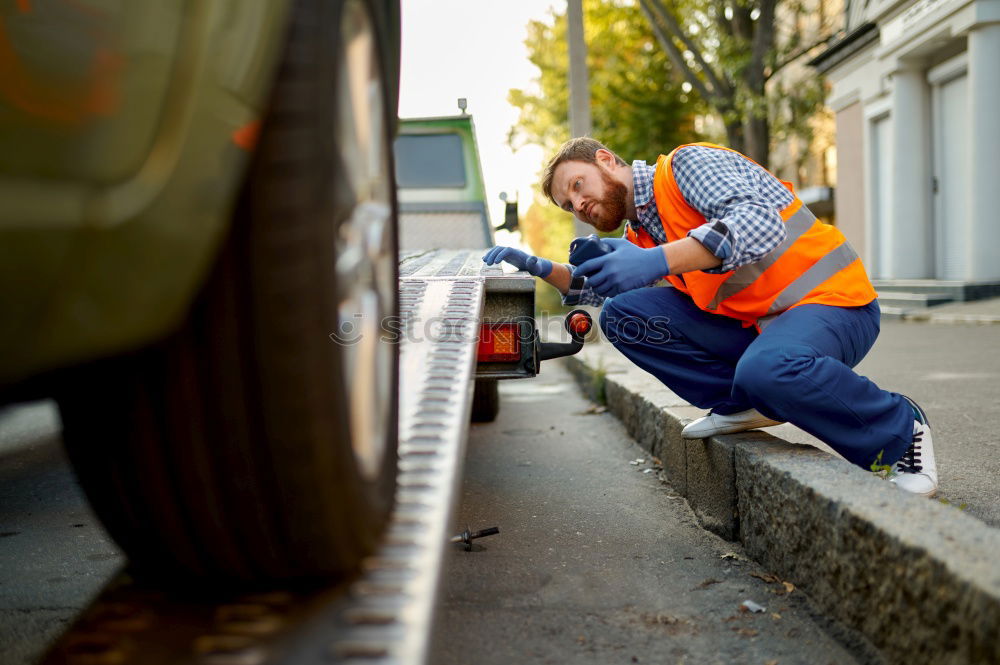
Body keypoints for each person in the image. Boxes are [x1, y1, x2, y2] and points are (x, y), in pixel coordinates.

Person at [483, 138, 937, 496]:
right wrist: (545, 271)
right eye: (568, 205)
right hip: (762, 327)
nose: (578, 205)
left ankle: (900, 431)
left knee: (770, 368)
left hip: (832, 302)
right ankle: (744, 405)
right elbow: (606, 291)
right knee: (624, 316)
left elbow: (759, 221)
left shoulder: (686, 166)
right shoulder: (641, 231)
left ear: (605, 160)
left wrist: (659, 260)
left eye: (578, 185)